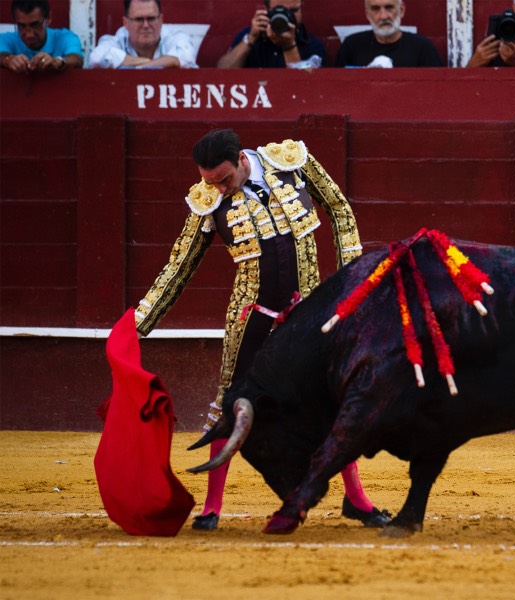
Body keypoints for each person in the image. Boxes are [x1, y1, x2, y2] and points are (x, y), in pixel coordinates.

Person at [135, 128, 390, 531]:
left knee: (330, 398)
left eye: (223, 179)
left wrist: (351, 281)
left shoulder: (291, 161)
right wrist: (139, 323)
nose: (218, 188)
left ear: (241, 159)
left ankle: (357, 499)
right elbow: (179, 266)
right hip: (250, 312)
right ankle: (212, 507)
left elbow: (340, 210)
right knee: (231, 400)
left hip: (308, 308)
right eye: (210, 182)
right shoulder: (207, 200)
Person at [89, 0, 197, 69]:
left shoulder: (175, 36)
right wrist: (155, 63)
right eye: (139, 19)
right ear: (126, 23)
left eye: (151, 18)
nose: (145, 25)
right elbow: (97, 58)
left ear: (161, 20)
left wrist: (133, 66)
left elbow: (185, 56)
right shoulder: (118, 39)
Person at [217, 0, 324, 69]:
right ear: (267, 9)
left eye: (294, 10)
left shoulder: (313, 45)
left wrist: (289, 47)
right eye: (279, 11)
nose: (288, 16)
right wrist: (251, 39)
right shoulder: (250, 35)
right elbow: (222, 73)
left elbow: (304, 86)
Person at [335, 0, 441, 68]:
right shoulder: (352, 46)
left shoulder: (423, 48)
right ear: (367, 14)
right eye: (376, 9)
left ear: (401, 10)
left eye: (389, 7)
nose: (383, 16)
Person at [0, 0, 83, 73]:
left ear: (48, 18)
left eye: (35, 25)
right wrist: (8, 60)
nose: (29, 34)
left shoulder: (65, 37)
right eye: (22, 26)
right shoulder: (5, 39)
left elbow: (77, 59)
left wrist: (57, 61)